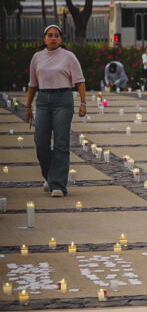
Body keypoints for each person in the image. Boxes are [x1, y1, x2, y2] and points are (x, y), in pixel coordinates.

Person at [25, 24, 86, 198]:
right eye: (49, 35)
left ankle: (58, 184)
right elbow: (32, 84)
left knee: (61, 142)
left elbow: (80, 81)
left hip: (63, 99)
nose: (53, 38)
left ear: (61, 39)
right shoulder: (37, 57)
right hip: (43, 100)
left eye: (56, 35)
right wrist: (28, 106)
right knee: (41, 142)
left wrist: (83, 102)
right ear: (44, 38)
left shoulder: (68, 56)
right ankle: (50, 177)